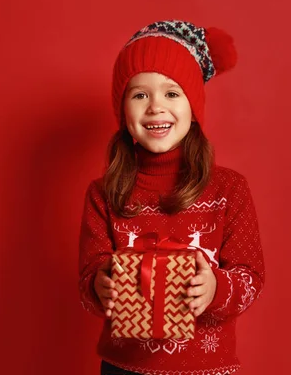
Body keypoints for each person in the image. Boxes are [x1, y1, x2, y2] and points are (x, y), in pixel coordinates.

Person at [78, 20, 265, 375]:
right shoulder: (103, 194)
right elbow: (88, 277)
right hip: (124, 366)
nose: (155, 108)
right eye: (139, 94)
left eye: (171, 93)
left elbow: (250, 276)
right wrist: (98, 285)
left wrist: (214, 287)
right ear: (123, 110)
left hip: (207, 368)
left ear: (193, 106)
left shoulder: (228, 190)